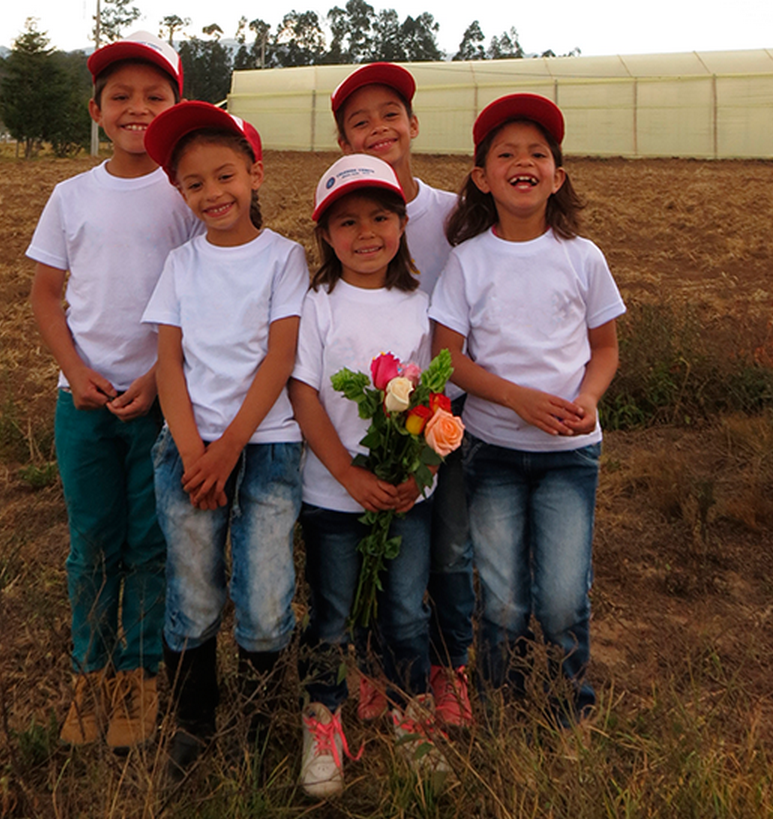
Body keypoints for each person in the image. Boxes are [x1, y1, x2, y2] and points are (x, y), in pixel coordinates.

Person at [26, 31, 200, 751]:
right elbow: (45, 296)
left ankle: (139, 674)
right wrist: (77, 371)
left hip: (163, 402)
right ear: (95, 109)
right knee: (91, 541)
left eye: (154, 98)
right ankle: (89, 673)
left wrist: (161, 383)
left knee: (150, 542)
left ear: (175, 108)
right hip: (85, 404)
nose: (137, 109)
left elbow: (203, 296)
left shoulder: (187, 191)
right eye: (120, 97)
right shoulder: (71, 196)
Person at [429, 93, 626, 728]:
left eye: (537, 154)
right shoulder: (467, 261)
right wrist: (515, 399)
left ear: (557, 175)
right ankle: (499, 706)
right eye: (505, 154)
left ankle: (570, 708)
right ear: (482, 178)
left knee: (565, 598)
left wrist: (587, 399)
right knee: (505, 599)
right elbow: (447, 359)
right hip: (492, 454)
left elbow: (605, 349)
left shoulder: (582, 256)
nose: (523, 163)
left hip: (570, 456)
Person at [140, 101, 308, 781]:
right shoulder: (181, 265)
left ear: (255, 173)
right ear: (180, 193)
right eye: (194, 184)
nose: (212, 194)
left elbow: (279, 357)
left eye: (225, 176)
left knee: (266, 599)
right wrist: (190, 450)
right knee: (195, 593)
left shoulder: (284, 257)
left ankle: (264, 722)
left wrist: (229, 446)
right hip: (188, 451)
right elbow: (168, 362)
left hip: (265, 448)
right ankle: (193, 721)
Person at [289, 154, 452, 797]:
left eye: (381, 217)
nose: (366, 233)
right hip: (332, 496)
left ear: (403, 224)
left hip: (407, 497)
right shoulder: (318, 303)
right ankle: (323, 720)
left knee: (406, 612)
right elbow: (304, 396)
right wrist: (347, 476)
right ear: (326, 236)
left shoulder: (419, 303)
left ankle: (413, 714)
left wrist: (421, 469)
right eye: (347, 222)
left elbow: (436, 401)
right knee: (332, 614)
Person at [330, 62, 473, 730]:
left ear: (414, 125)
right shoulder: (345, 212)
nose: (377, 128)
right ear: (343, 141)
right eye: (359, 120)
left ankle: (446, 670)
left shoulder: (451, 213)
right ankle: (371, 667)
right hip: (370, 418)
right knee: (372, 546)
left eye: (390, 113)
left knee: (444, 549)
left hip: (448, 407)